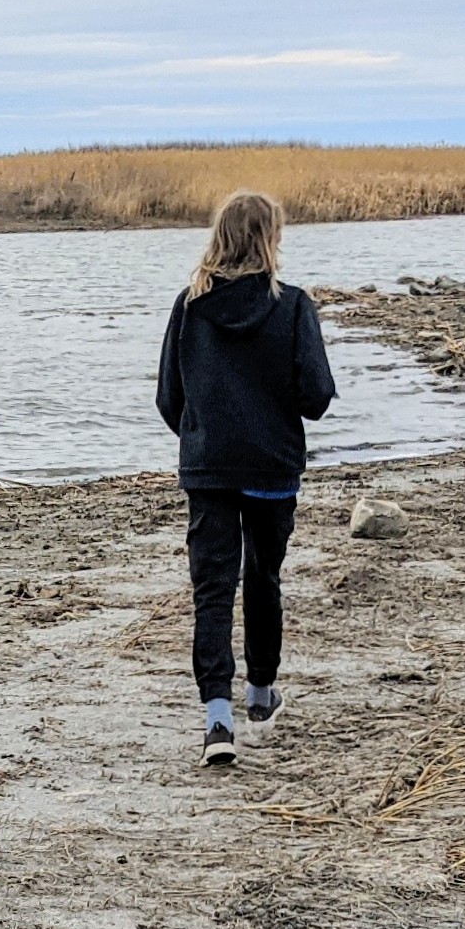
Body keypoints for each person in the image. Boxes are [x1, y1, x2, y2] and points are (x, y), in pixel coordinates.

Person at [154, 189, 337, 767]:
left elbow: (167, 398)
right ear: (270, 239)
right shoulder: (294, 306)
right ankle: (260, 692)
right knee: (263, 576)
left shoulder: (190, 305)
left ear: (220, 236)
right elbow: (315, 398)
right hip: (270, 466)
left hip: (208, 466)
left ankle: (217, 720)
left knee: (213, 591)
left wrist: (202, 432)